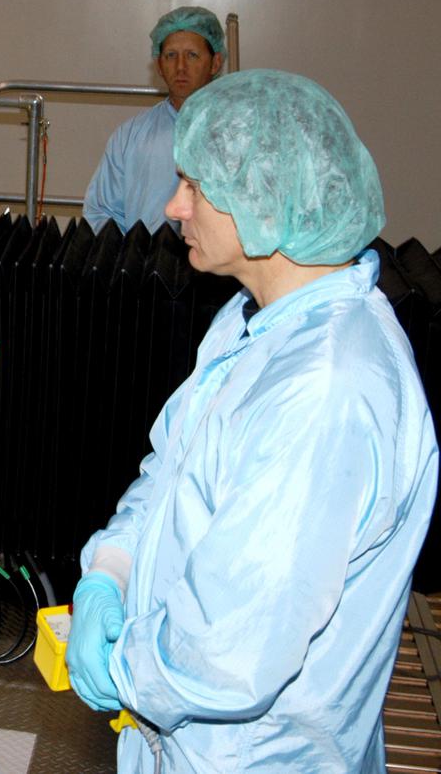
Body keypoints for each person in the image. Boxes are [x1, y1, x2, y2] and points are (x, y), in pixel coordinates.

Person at [65, 69, 438, 772]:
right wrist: (111, 569)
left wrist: (125, 671)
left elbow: (231, 651)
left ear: (264, 199)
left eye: (196, 187)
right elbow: (171, 469)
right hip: (184, 739)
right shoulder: (253, 322)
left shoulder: (325, 391)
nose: (173, 207)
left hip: (252, 755)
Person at [83, 6, 224, 233]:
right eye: (171, 56)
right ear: (159, 65)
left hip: (217, 267)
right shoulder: (130, 136)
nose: (180, 67)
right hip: (143, 265)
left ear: (215, 63)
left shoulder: (236, 133)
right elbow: (102, 214)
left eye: (192, 55)